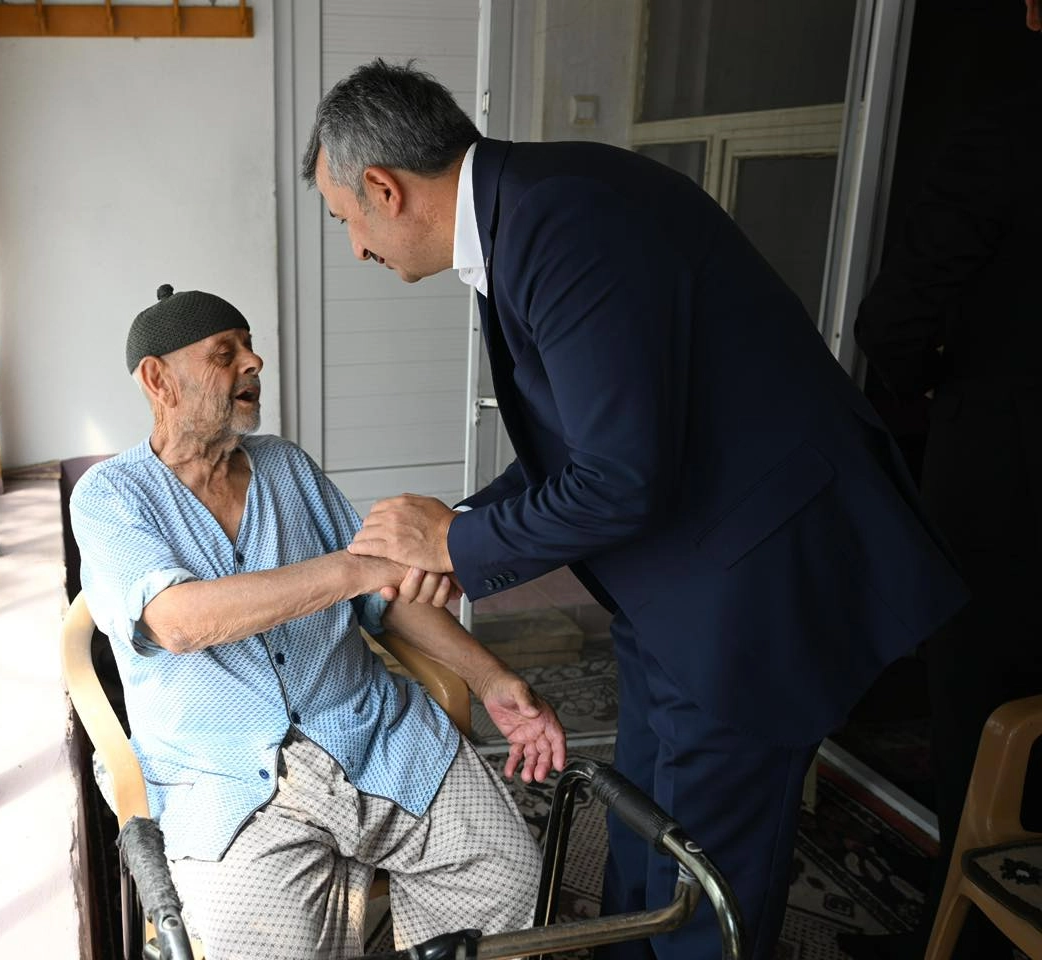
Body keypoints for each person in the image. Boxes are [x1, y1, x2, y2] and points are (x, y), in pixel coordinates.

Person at [303, 60, 968, 960]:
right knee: (642, 828)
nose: (356, 248)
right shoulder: (529, 208)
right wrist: (456, 530)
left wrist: (457, 543)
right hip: (676, 587)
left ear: (385, 188)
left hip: (749, 587)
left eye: (345, 219)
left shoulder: (562, 222)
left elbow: (619, 480)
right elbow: (584, 448)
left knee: (704, 883)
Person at [70, 284, 565, 960]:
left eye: (249, 347)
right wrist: (356, 568)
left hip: (374, 738)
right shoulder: (110, 496)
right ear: (159, 380)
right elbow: (178, 622)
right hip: (228, 783)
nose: (254, 362)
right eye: (225, 353)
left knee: (506, 877)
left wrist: (492, 680)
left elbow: (384, 599)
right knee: (270, 948)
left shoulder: (286, 466)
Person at [842, 9, 1042, 957]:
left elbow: (894, 320)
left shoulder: (1009, 129)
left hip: (1008, 474)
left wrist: (937, 389)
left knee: (984, 724)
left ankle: (969, 935)